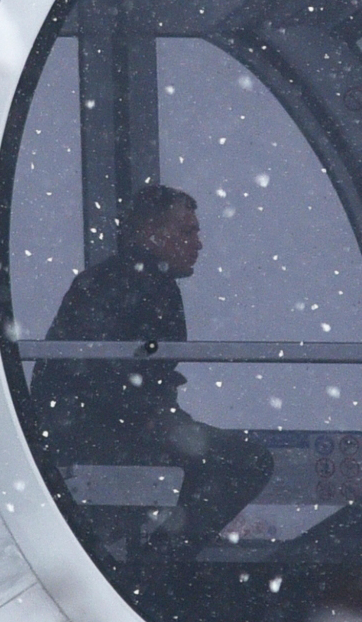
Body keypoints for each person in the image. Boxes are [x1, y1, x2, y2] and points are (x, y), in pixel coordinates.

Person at [38, 183, 276, 549]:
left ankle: (166, 552)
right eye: (186, 231)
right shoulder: (140, 284)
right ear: (150, 232)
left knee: (222, 460)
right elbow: (101, 373)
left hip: (90, 429)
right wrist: (152, 417)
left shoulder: (120, 280)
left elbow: (100, 371)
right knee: (248, 461)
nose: (198, 243)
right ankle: (167, 559)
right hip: (104, 433)